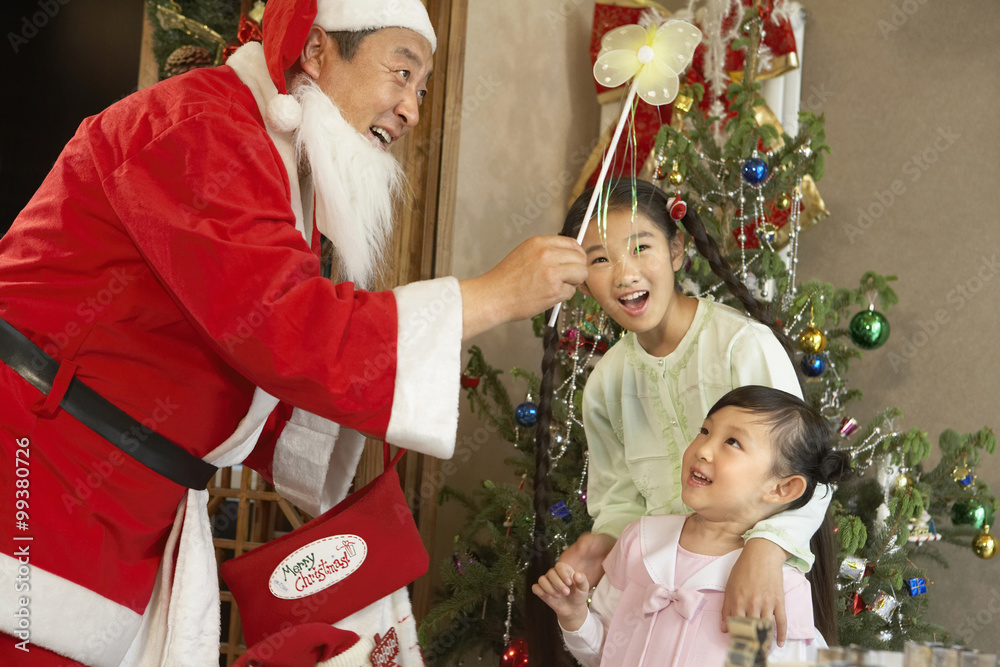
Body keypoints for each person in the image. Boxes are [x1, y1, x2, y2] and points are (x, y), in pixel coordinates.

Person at [0, 0, 587, 664]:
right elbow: (290, 330)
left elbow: (250, 361)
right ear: (315, 52)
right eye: (401, 73)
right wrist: (491, 295)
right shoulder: (203, 128)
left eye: (421, 89)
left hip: (106, 497)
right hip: (40, 475)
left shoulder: (263, 148)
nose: (412, 109)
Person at [548, 179, 831, 645]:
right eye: (599, 259)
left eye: (641, 247)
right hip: (658, 589)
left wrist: (764, 551)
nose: (624, 274)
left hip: (746, 584)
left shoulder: (743, 347)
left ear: (677, 249)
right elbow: (618, 499)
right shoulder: (605, 385)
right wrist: (606, 542)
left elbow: (806, 471)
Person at [533, 385, 851, 667]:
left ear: (782, 489)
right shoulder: (639, 541)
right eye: (705, 431)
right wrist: (574, 616)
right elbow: (604, 653)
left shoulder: (773, 589)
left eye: (733, 442)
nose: (702, 449)